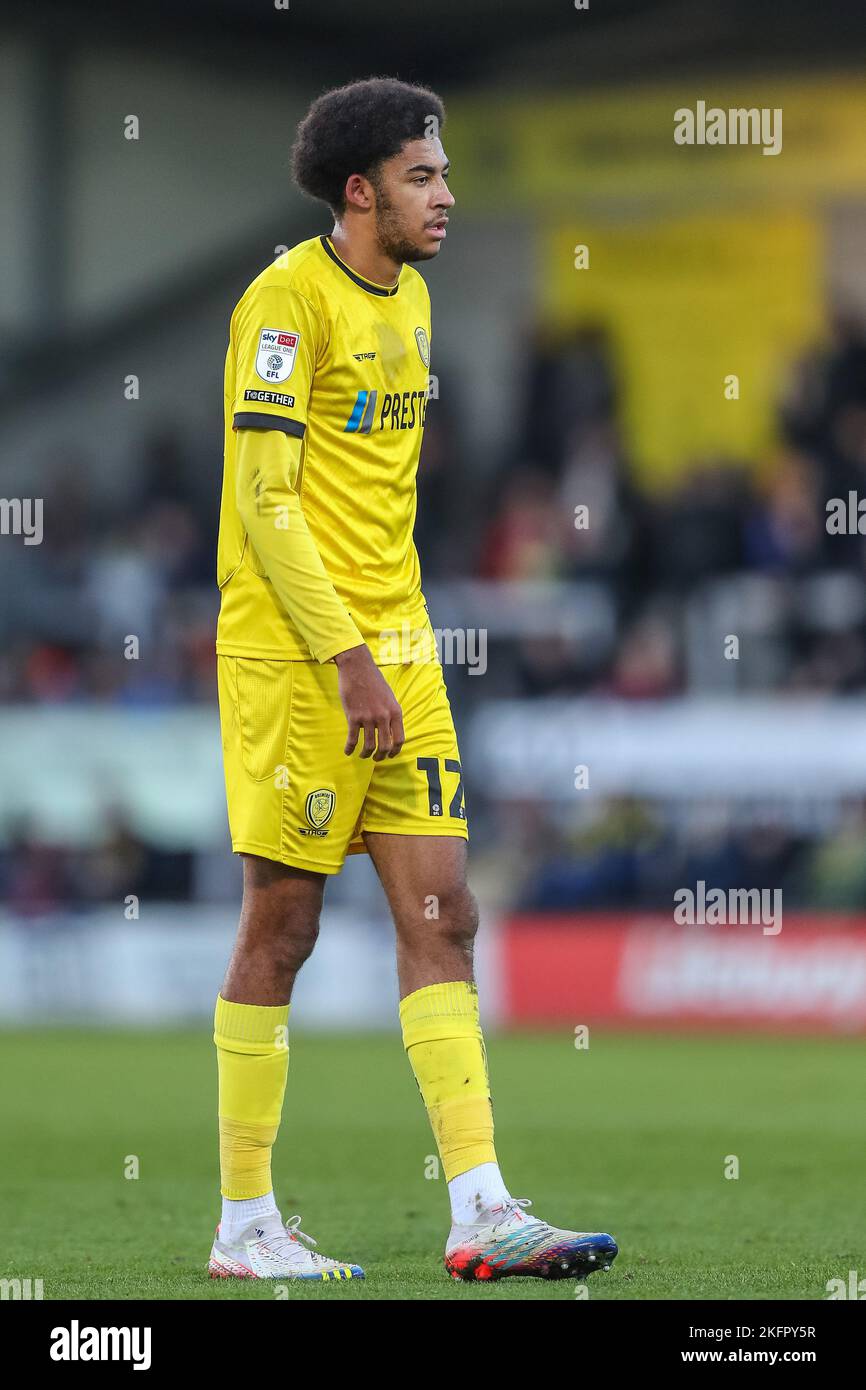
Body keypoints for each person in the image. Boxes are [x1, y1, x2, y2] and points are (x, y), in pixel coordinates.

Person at [209, 76, 618, 1284]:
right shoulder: (287, 301)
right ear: (359, 192)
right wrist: (343, 655)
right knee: (281, 929)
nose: (445, 194)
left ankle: (482, 1208)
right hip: (296, 655)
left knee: (446, 914)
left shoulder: (420, 301)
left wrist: (388, 647)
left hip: (400, 647)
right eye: (421, 176)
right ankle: (244, 1224)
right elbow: (264, 496)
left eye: (442, 172)